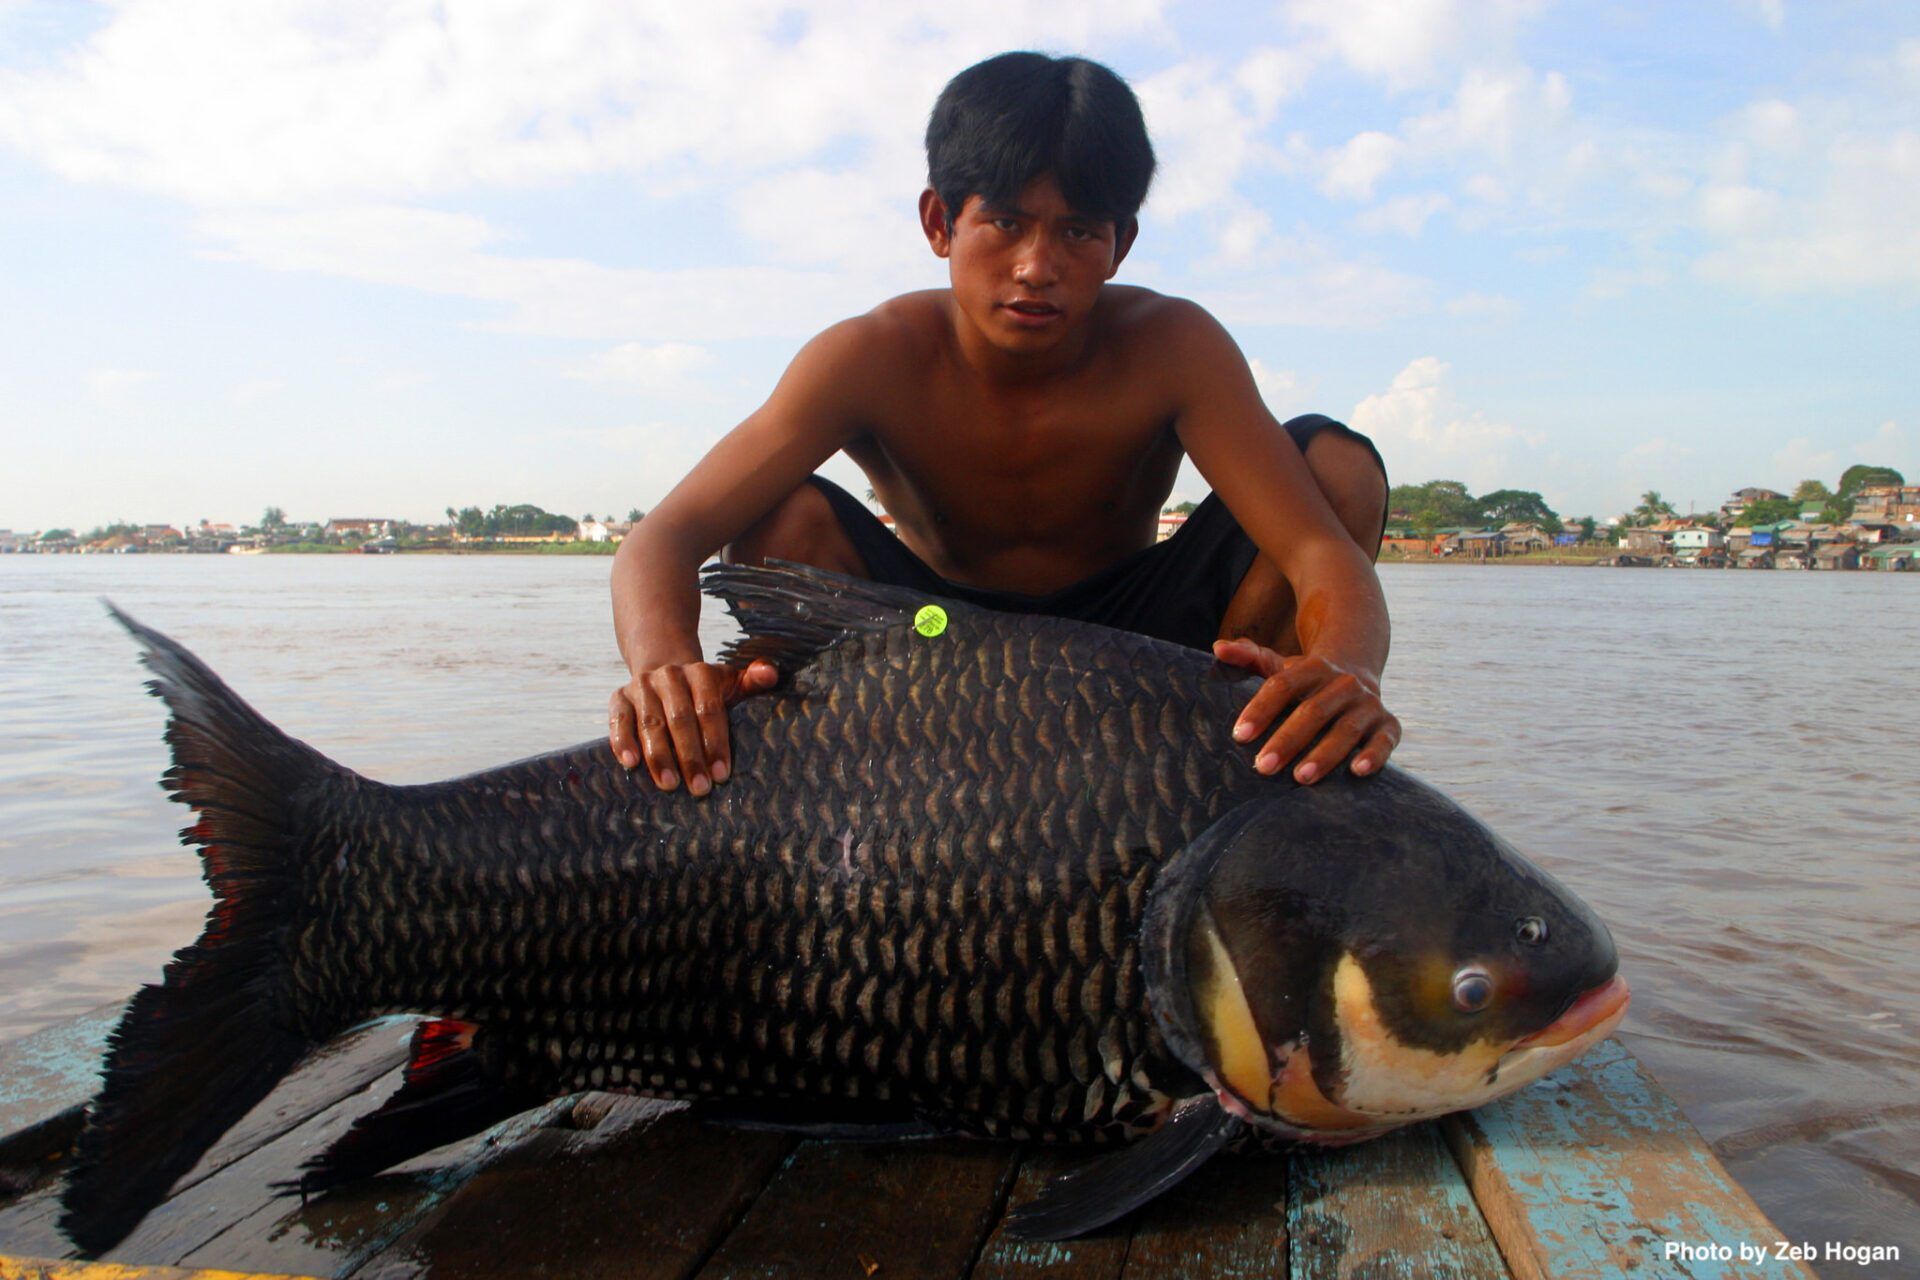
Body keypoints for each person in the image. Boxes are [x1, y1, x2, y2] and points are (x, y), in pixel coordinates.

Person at [607, 51, 1398, 798]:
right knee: (779, 517)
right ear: (940, 224)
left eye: (1079, 231)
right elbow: (663, 539)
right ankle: (834, 775)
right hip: (932, 643)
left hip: (1143, 652)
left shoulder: (1175, 347)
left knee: (1338, 469)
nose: (1037, 266)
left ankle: (1252, 747)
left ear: (1120, 243)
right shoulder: (868, 356)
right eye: (1006, 224)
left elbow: (1315, 547)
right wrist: (664, 670)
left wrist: (1346, 670)